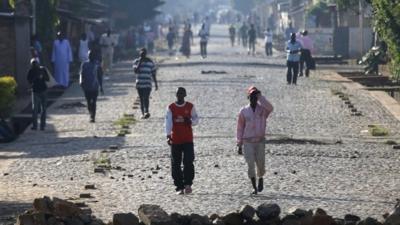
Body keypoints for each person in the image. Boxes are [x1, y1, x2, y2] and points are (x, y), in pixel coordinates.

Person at [237, 86, 273, 195]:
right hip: (247, 142)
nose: (254, 98)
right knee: (250, 164)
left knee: (260, 163)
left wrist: (261, 97)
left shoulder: (263, 110)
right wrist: (239, 143)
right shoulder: (243, 111)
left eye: (255, 96)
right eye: (252, 96)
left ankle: (260, 178)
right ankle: (254, 187)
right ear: (248, 97)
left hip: (260, 141)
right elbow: (240, 127)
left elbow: (271, 108)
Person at [165, 87, 199, 195]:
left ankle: (188, 184)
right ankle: (179, 186)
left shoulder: (190, 106)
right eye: (178, 93)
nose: (180, 95)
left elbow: (196, 120)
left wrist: (189, 121)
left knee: (188, 161)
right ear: (176, 95)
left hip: (188, 139)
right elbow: (168, 122)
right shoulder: (171, 107)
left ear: (185, 95)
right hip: (176, 140)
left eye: (182, 93)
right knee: (176, 164)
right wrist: (168, 135)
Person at [133, 48, 158, 119]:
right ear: (139, 54)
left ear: (146, 54)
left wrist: (156, 83)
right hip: (139, 84)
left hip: (147, 83)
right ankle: (143, 113)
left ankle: (146, 111)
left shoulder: (150, 62)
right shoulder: (136, 61)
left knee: (146, 97)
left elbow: (153, 73)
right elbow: (136, 71)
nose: (143, 55)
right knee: (141, 98)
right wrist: (140, 62)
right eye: (141, 54)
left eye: (144, 53)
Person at [79, 51, 104, 123]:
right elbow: (81, 74)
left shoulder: (97, 65)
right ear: (88, 56)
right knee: (88, 102)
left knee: (94, 101)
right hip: (87, 86)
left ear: (94, 56)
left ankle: (93, 116)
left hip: (95, 86)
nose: (90, 56)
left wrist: (101, 86)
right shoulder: (84, 64)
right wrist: (81, 81)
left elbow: (100, 76)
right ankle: (90, 112)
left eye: (92, 55)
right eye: (89, 55)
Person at [27, 58, 50, 130]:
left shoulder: (42, 69)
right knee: (35, 110)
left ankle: (42, 126)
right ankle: (35, 126)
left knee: (43, 109)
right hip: (35, 91)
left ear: (38, 63)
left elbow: (48, 79)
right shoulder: (31, 71)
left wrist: (42, 76)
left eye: (35, 63)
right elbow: (30, 81)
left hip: (43, 90)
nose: (34, 65)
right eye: (33, 63)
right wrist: (36, 77)